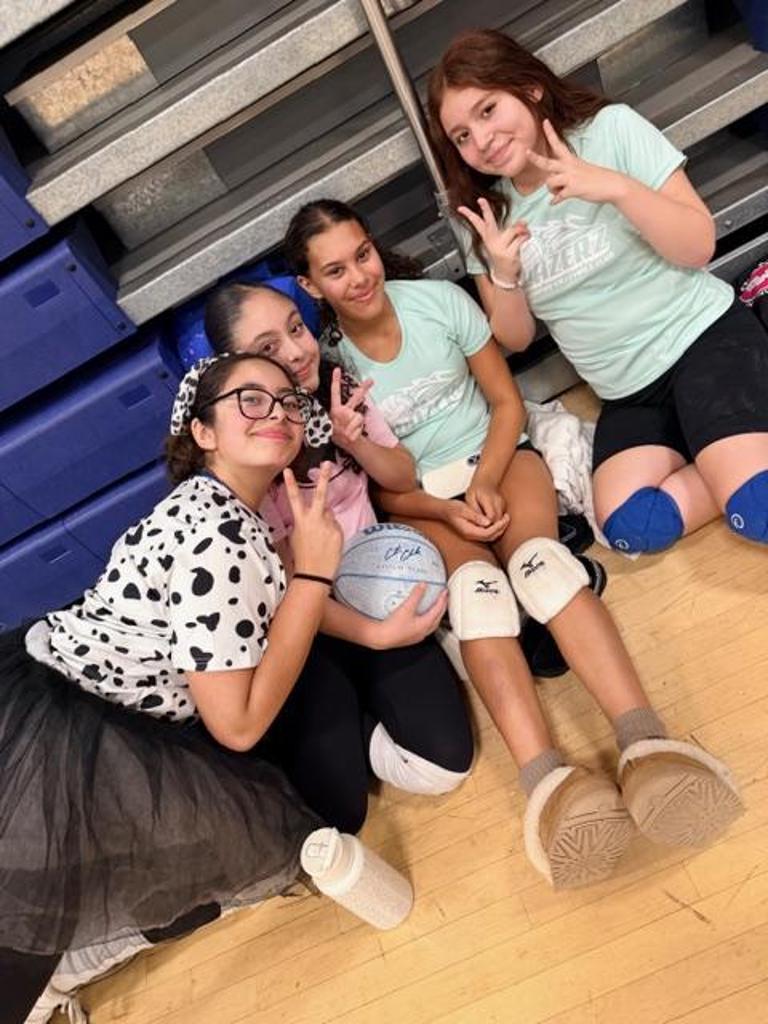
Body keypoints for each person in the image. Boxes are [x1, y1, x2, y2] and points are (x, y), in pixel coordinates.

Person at [282, 197, 744, 891]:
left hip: (499, 459)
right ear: (311, 285)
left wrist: (486, 481)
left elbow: (505, 404)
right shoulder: (332, 374)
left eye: (363, 255)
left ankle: (648, 743)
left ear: (376, 248)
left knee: (541, 567)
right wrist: (446, 509)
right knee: (479, 598)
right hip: (427, 502)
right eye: (336, 270)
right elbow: (386, 491)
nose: (359, 277)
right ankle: (550, 786)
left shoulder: (439, 303)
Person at [0, 351, 349, 1023]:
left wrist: (353, 612)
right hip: (68, 733)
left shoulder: (219, 506)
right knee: (33, 913)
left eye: (287, 401)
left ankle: (47, 984)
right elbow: (238, 726)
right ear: (203, 432)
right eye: (250, 399)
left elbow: (261, 617)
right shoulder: (218, 531)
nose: (277, 412)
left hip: (71, 694)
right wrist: (313, 573)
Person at [427, 28, 768, 554]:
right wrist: (503, 273)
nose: (483, 140)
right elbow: (516, 338)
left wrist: (615, 189)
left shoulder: (610, 130)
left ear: (530, 87)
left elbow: (699, 245)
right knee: (631, 526)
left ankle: (734, 453)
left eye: (488, 110)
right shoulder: (483, 214)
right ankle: (727, 446)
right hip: (628, 392)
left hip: (702, 342)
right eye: (462, 136)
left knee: (757, 508)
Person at [202, 280, 475, 820]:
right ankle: (347, 717)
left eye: (295, 328)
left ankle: (374, 697)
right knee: (341, 808)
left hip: (377, 584)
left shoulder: (337, 387)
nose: (297, 350)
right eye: (268, 348)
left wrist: (355, 441)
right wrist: (375, 635)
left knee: (445, 762)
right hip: (311, 623)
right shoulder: (251, 449)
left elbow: (401, 475)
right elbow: (290, 588)